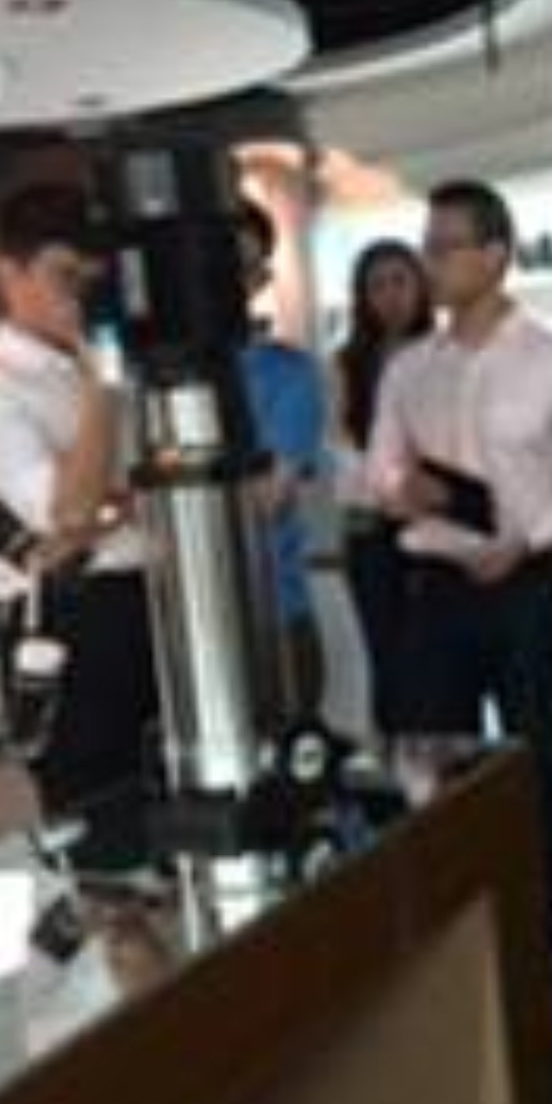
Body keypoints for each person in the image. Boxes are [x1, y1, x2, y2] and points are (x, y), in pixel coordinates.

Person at [367, 179, 552, 933]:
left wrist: (529, 541)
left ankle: (534, 931)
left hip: (527, 589)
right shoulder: (410, 367)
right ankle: (454, 929)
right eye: (428, 245)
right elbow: (380, 469)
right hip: (434, 586)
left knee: (530, 766)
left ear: (495, 254)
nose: (431, 261)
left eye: (447, 246)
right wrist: (400, 488)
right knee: (429, 764)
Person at [0, 183, 159, 867]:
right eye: (66, 277)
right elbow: (65, 517)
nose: (81, 299)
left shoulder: (104, 364)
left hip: (149, 600)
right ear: (10, 273)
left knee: (170, 805)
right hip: (64, 619)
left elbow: (138, 493)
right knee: (101, 832)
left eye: (93, 281)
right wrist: (103, 395)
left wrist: (107, 503)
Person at [331, 239, 434, 735]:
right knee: (386, 657)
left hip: (433, 521)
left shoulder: (444, 353)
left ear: (420, 287)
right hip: (371, 526)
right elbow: (339, 445)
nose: (391, 296)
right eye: (378, 286)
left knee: (436, 657)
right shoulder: (348, 363)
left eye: (400, 282)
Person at [235, 202, 330, 733]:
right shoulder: (152, 381)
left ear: (261, 278)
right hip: (177, 629)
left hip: (273, 621)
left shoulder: (289, 374)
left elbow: (266, 503)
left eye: (243, 266)